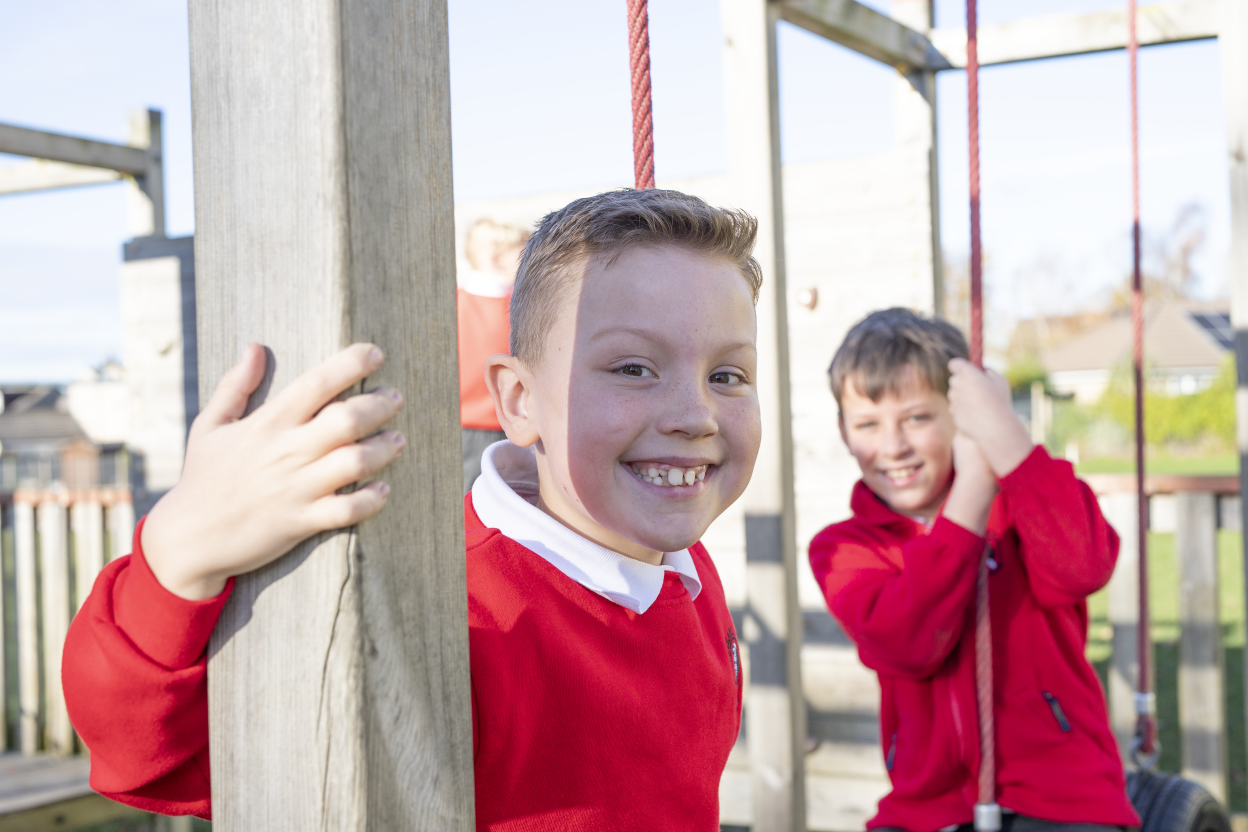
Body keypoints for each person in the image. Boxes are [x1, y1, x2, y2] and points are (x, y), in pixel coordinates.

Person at [63, 189, 762, 830]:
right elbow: (145, 753)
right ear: (517, 402)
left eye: (727, 375)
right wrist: (182, 547)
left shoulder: (683, 566)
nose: (696, 415)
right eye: (633, 368)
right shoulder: (446, 604)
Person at [808, 308, 1139, 832]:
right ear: (845, 433)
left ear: (962, 420)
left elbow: (1083, 568)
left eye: (917, 418)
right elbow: (909, 644)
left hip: (1061, 798)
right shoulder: (845, 548)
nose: (893, 447)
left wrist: (1005, 440)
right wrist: (970, 496)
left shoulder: (1023, 504)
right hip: (927, 806)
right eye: (868, 425)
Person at [458, 217, 530, 492]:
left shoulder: (451, 303)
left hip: (506, 425)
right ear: (497, 259)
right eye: (521, 253)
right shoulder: (518, 308)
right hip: (481, 428)